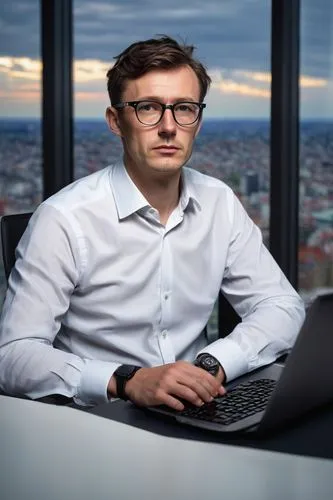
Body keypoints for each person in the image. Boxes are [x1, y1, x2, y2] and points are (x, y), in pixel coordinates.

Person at [0, 35, 305, 409]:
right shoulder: (63, 220)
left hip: (199, 406)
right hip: (100, 422)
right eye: (147, 108)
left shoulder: (218, 202)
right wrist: (127, 380)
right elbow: (13, 356)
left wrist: (212, 364)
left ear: (198, 119)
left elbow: (283, 306)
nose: (168, 126)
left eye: (184, 108)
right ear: (116, 121)